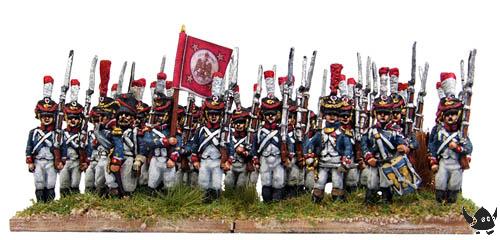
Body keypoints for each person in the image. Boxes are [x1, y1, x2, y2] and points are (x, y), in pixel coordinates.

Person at [428, 72, 472, 204]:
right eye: (448, 114)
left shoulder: (461, 133)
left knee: (454, 184)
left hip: (457, 164)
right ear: (443, 116)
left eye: (453, 114)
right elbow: (433, 146)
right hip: (443, 163)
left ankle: (452, 204)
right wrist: (434, 162)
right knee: (440, 182)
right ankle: (439, 203)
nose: (451, 117)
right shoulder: (439, 131)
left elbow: (468, 147)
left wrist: (458, 148)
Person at [25, 76, 59, 202]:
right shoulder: (34, 133)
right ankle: (40, 204)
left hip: (51, 162)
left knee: (50, 183)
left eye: (49, 116)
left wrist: (61, 160)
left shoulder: (56, 133)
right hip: (38, 161)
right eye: (44, 115)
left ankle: (50, 204)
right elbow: (29, 147)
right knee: (39, 183)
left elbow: (62, 147)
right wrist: (30, 161)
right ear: (39, 116)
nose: (46, 118)